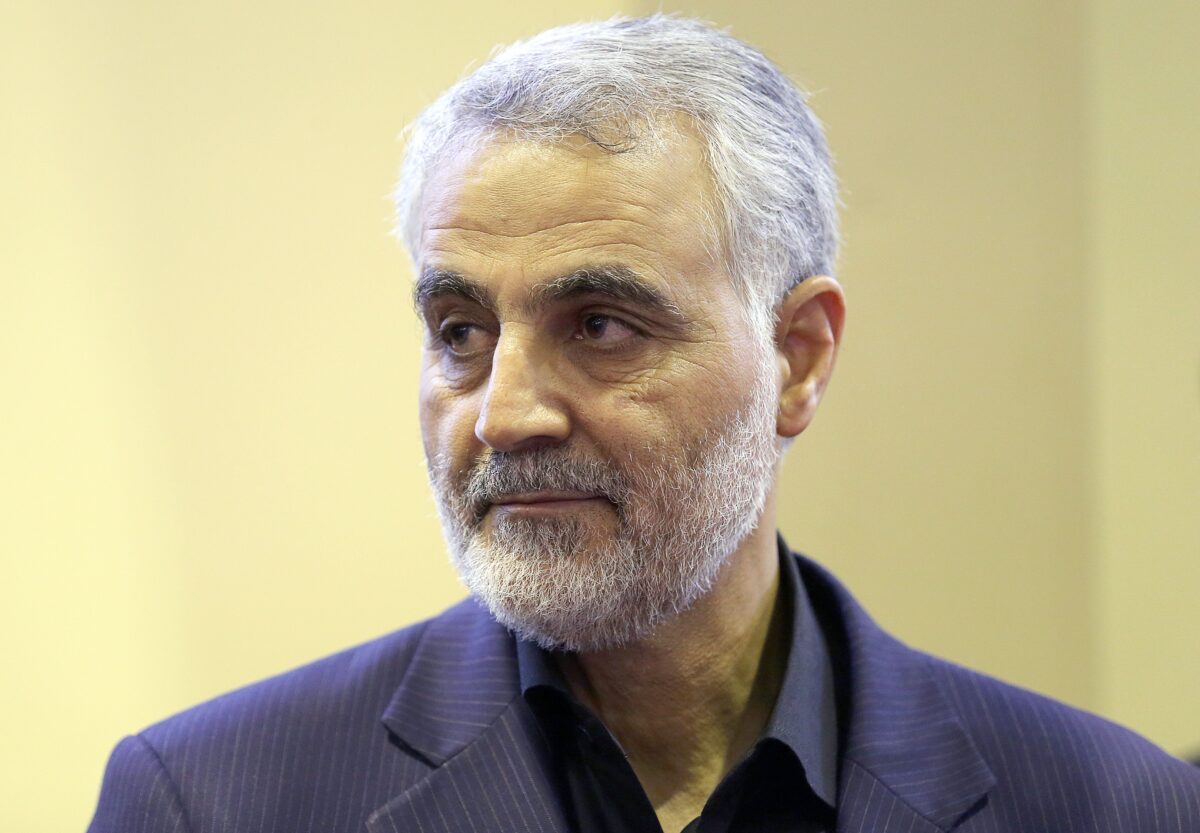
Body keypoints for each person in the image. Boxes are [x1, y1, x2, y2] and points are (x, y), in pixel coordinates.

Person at [89, 15, 1200, 833]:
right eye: (461, 330)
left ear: (797, 357)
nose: (503, 413)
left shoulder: (1113, 806)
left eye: (602, 325)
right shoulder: (213, 801)